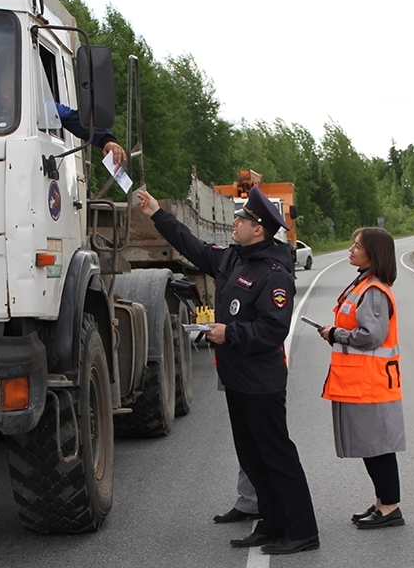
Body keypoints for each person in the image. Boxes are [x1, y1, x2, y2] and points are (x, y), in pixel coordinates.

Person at [137, 185, 319, 555]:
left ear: (260, 229)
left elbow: (273, 329)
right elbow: (191, 245)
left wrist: (228, 332)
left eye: (243, 219)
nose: (235, 222)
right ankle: (271, 523)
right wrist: (157, 212)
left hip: (261, 383)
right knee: (251, 456)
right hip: (236, 379)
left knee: (277, 456)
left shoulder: (274, 273)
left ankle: (302, 530)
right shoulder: (233, 258)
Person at [317, 227, 406, 529]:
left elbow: (372, 336)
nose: (351, 249)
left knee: (378, 447)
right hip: (363, 382)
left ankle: (390, 507)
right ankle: (383, 502)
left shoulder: (374, 291)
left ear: (374, 254)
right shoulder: (363, 283)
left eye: (358, 246)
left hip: (372, 383)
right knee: (373, 446)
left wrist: (334, 334)